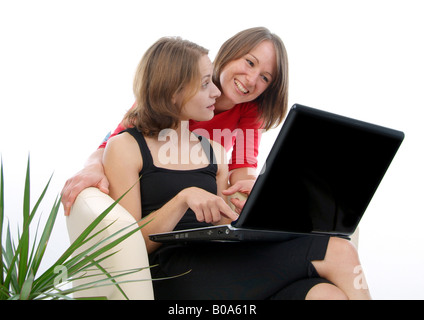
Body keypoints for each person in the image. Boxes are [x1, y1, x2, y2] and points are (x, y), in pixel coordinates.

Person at [101, 36, 371, 300]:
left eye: (265, 77)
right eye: (206, 83)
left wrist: (253, 208)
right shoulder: (125, 147)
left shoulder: (214, 152)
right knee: (338, 251)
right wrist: (183, 199)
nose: (216, 93)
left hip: (220, 259)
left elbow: (223, 217)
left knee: (326, 294)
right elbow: (128, 244)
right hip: (174, 271)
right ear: (174, 89)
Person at [61, 27, 288, 217]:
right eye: (249, 62)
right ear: (231, 53)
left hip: (198, 202)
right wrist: (92, 167)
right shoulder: (184, 91)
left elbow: (243, 166)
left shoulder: (249, 110)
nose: (251, 79)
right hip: (154, 192)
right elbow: (114, 143)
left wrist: (251, 187)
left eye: (265, 77)